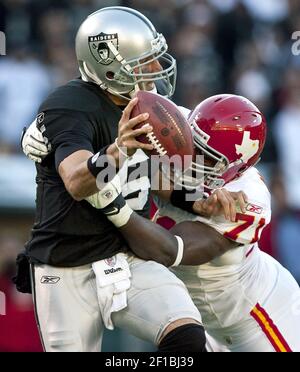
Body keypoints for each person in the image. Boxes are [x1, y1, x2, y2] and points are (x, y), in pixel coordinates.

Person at [17, 6, 210, 352]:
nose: (155, 69)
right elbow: (77, 182)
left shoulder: (144, 103)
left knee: (188, 338)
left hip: (127, 258)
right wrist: (119, 149)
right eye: (144, 61)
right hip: (66, 266)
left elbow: (155, 177)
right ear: (108, 63)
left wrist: (202, 199)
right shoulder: (70, 104)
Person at [67, 94, 300, 352]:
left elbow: (168, 249)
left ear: (235, 167)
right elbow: (115, 104)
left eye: (205, 156)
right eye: (192, 143)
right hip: (202, 321)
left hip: (257, 317)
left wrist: (113, 205)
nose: (191, 155)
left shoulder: (248, 197)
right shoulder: (175, 123)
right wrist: (56, 133)